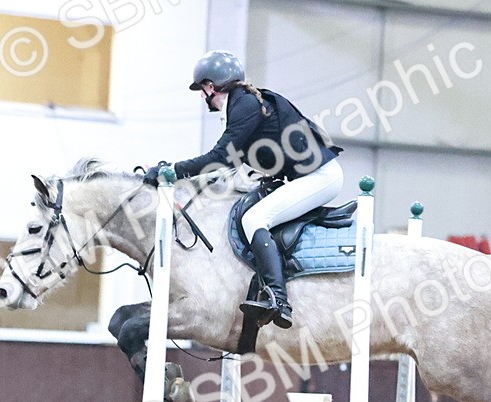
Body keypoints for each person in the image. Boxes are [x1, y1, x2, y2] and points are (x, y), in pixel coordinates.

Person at [143, 50, 344, 329]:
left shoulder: (244, 106)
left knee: (255, 219)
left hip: (320, 177)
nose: (202, 97)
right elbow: (227, 166)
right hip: (304, 177)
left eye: (202, 90)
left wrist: (172, 171)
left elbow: (219, 158)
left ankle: (278, 298)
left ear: (210, 86)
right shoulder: (242, 105)